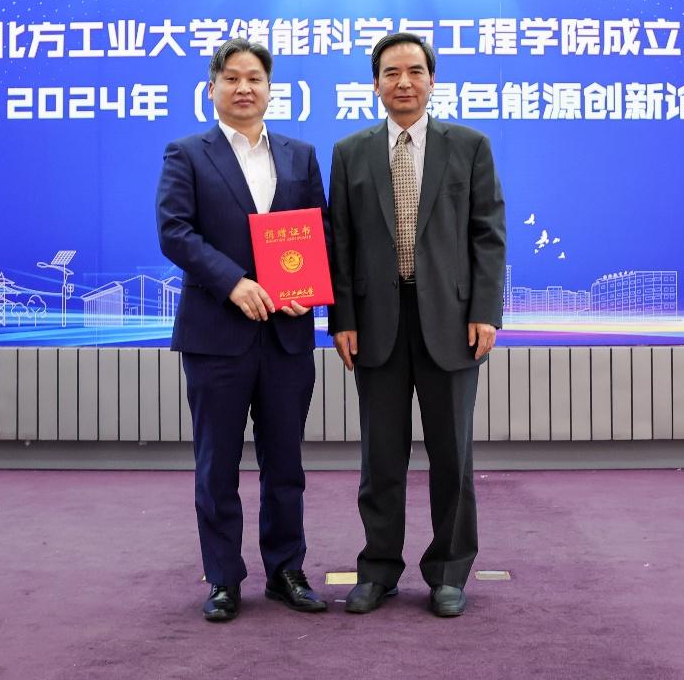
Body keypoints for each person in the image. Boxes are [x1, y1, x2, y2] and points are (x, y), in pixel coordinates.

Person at [327, 32, 506, 618]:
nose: (403, 82)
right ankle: (378, 568)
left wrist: (485, 311)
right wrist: (341, 318)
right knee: (381, 457)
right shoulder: (350, 152)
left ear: (432, 80)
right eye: (391, 73)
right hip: (376, 322)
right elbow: (340, 243)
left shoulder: (469, 146)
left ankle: (449, 571)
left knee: (452, 456)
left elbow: (487, 235)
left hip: (451, 322)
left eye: (414, 71)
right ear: (375, 84)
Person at [157, 38, 328, 622]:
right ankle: (224, 578)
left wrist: (308, 288)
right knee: (218, 464)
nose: (244, 88)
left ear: (270, 88)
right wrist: (233, 282)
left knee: (286, 465)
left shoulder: (301, 155)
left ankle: (286, 570)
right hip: (216, 333)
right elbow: (175, 232)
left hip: (286, 336)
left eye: (254, 78)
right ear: (212, 89)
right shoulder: (187, 153)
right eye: (231, 78)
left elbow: (319, 232)